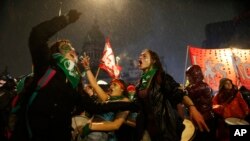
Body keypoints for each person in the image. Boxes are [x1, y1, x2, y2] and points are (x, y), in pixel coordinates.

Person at [10, 9, 135, 141]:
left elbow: (96, 107)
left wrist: (127, 105)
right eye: (66, 47)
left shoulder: (75, 82)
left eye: (73, 48)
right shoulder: (46, 67)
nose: (72, 50)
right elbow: (37, 34)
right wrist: (66, 19)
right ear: (55, 52)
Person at [135, 49, 209, 141]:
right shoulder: (140, 84)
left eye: (144, 56)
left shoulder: (161, 77)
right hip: (148, 130)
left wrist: (192, 108)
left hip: (165, 129)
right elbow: (137, 106)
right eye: (140, 56)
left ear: (153, 61)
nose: (140, 57)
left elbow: (177, 93)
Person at [80, 57, 130, 141]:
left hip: (103, 135)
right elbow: (95, 85)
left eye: (114, 85)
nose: (111, 86)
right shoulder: (106, 98)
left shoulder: (125, 101)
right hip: (92, 131)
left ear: (122, 89)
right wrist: (87, 68)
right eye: (111, 84)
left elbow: (116, 125)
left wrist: (91, 126)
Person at [185, 65, 216, 141]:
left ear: (195, 75)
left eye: (189, 76)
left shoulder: (202, 86)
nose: (188, 78)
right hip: (199, 117)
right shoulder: (195, 86)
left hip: (205, 118)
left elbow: (188, 93)